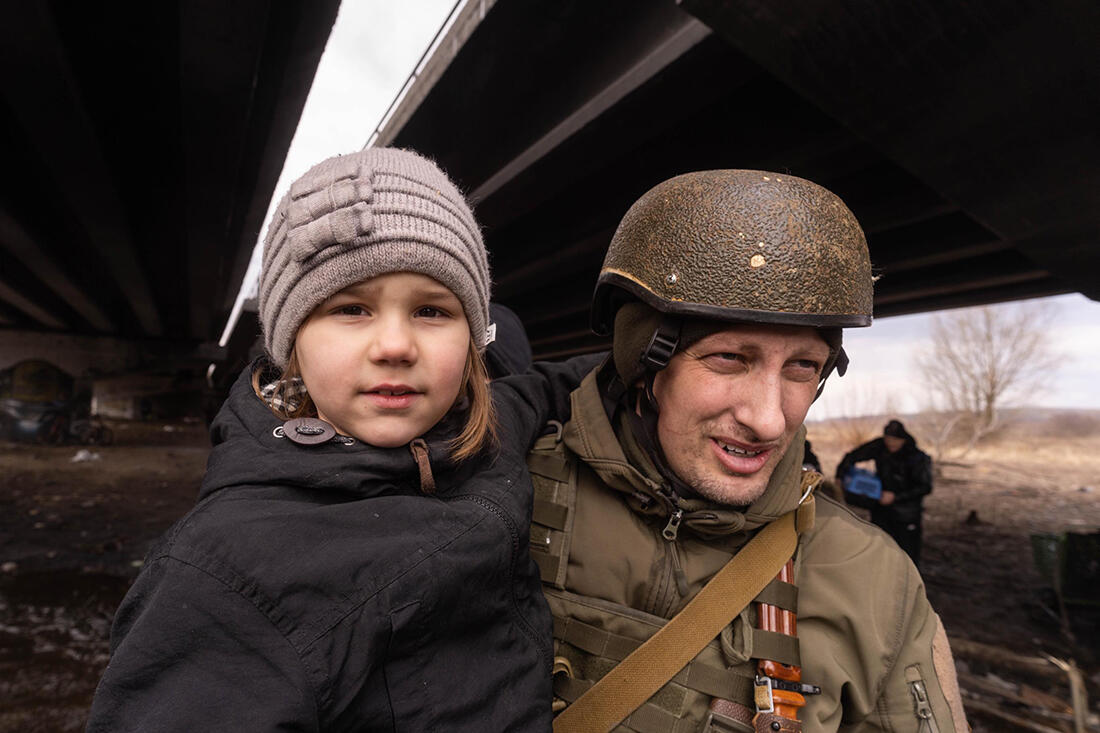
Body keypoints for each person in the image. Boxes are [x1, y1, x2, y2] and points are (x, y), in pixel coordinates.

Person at [87, 148, 597, 732]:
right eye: (351, 308)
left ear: (474, 339)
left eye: (432, 311)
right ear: (292, 342)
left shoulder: (488, 428)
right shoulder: (224, 570)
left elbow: (558, 382)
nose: (396, 345)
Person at [528, 170, 968, 731]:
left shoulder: (878, 583)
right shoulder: (503, 501)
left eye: (802, 367)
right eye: (730, 358)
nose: (767, 418)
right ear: (645, 363)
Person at [836, 419, 933, 566]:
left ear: (903, 440)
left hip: (906, 514)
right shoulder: (880, 446)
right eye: (888, 439)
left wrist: (896, 497)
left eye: (895, 440)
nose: (891, 444)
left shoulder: (917, 457)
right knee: (880, 550)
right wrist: (840, 475)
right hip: (881, 509)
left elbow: (925, 487)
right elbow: (852, 456)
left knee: (907, 555)